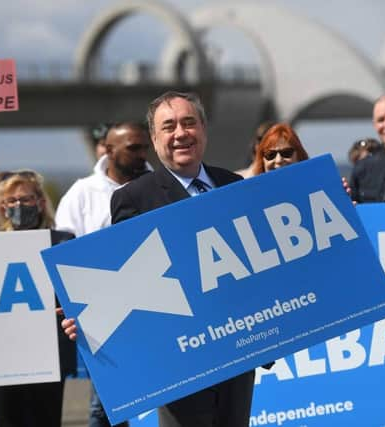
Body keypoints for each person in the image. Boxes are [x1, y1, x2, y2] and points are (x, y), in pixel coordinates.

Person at [63, 91, 254, 427]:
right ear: (155, 138)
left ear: (204, 130)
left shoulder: (233, 184)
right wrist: (89, 315)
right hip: (178, 359)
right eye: (169, 126)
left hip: (238, 353)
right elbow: (124, 278)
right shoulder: (134, 198)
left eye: (188, 123)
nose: (180, 133)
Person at [55, 121, 151, 427]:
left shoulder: (159, 186)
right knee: (107, 405)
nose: (142, 154)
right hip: (104, 315)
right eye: (133, 148)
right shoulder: (82, 193)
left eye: (144, 147)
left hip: (157, 304)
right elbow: (64, 251)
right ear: (109, 150)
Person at [0, 170, 76, 427]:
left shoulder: (62, 242)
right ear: (3, 208)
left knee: (46, 419)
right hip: (3, 353)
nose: (19, 206)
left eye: (26, 199)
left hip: (48, 353)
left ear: (40, 203)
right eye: (12, 201)